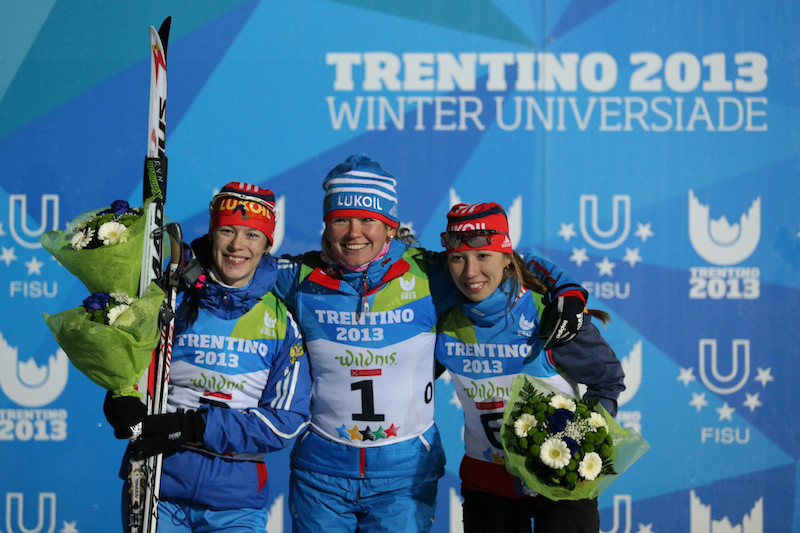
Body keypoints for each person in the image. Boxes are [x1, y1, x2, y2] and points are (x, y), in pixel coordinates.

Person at [271, 154, 588, 533]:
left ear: (389, 227)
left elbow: (496, 258)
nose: (354, 233)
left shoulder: (426, 272)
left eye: (369, 219)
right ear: (326, 225)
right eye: (341, 219)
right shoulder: (297, 277)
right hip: (321, 473)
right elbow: (238, 266)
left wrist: (566, 288)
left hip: (404, 475)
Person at [103, 182, 312, 532]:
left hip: (236, 503)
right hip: (158, 485)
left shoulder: (281, 322)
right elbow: (134, 366)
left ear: (267, 244)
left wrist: (195, 426)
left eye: (252, 235)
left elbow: (286, 420)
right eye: (227, 230)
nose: (237, 245)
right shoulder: (172, 299)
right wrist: (120, 395)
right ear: (212, 233)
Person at [434, 202, 625, 533]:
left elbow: (607, 380)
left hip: (563, 480)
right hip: (488, 485)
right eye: (458, 259)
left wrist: (580, 442)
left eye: (484, 256)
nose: (470, 272)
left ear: (507, 256)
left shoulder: (547, 313)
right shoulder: (443, 319)